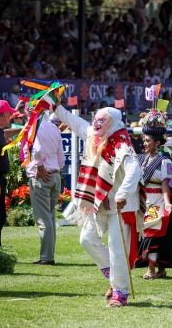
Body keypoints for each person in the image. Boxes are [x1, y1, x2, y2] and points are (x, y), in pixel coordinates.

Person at [54, 105, 146, 307]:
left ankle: (120, 293)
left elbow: (134, 170)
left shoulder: (122, 143)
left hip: (121, 203)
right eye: (95, 118)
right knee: (87, 239)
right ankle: (114, 275)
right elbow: (76, 123)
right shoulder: (96, 137)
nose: (95, 122)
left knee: (117, 247)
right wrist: (57, 107)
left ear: (111, 123)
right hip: (100, 201)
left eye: (101, 120)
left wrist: (123, 193)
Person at [134, 117, 172, 279]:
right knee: (151, 235)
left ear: (157, 143)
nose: (144, 143)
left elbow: (166, 185)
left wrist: (167, 204)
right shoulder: (141, 159)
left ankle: (151, 270)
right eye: (144, 140)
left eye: (148, 140)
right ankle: (161, 268)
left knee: (152, 234)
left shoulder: (165, 162)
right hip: (144, 200)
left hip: (158, 200)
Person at [26, 114, 64, 265]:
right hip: (54, 175)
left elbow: (37, 150)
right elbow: (61, 155)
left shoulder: (34, 127)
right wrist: (55, 168)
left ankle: (47, 257)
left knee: (44, 218)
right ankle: (49, 255)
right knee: (50, 216)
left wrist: (40, 167)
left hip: (42, 176)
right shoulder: (54, 127)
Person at [0, 100, 21, 247]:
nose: (11, 116)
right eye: (10, 113)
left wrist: (22, 129)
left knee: (0, 216)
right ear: (4, 115)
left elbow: (4, 134)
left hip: (0, 179)